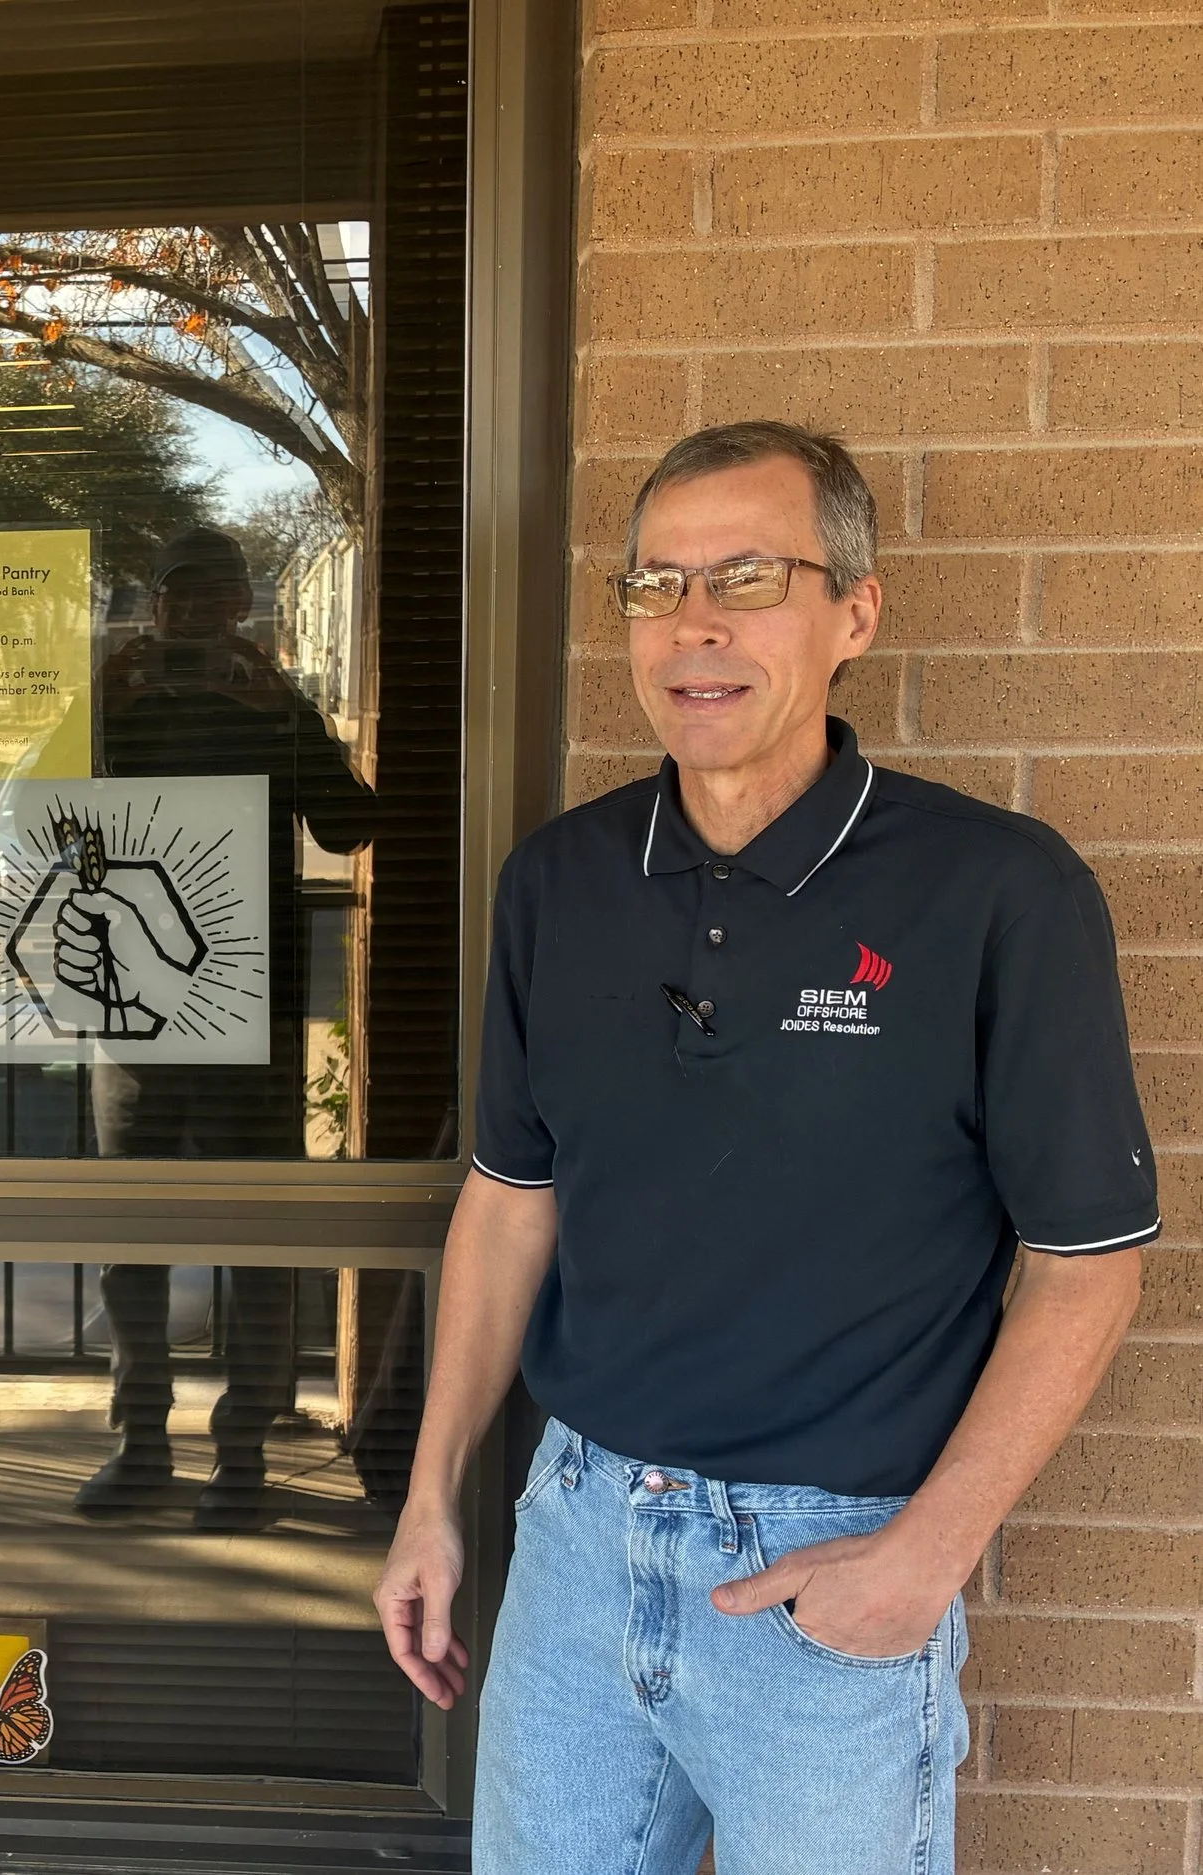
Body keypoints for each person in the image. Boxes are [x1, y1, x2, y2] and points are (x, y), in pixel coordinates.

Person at [375, 422, 1157, 1873]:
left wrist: (921, 1561)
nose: (695, 627)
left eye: (747, 575)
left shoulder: (996, 892)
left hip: (832, 1566)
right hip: (580, 1542)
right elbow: (509, 1197)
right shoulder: (560, 879)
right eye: (654, 584)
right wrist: (432, 1493)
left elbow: (1086, 1263)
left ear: (855, 610)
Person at [52, 526, 395, 1530]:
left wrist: (282, 711)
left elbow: (348, 823)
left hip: (252, 1004)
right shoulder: (114, 706)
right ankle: (141, 1444)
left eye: (219, 599)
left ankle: (241, 1455)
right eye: (180, 600)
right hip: (129, 1008)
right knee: (133, 1238)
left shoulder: (269, 704)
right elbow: (31, 814)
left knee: (257, 1236)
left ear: (243, 610)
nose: (198, 617)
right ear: (151, 611)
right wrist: (98, 710)